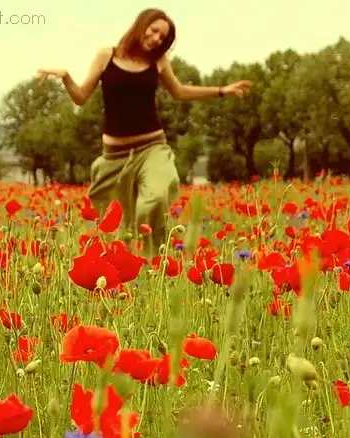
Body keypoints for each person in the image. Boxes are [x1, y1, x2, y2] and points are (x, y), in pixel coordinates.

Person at [38, 8, 251, 254]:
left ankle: (154, 259)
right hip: (114, 157)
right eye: (154, 31)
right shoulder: (106, 55)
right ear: (142, 25)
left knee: (154, 199)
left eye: (163, 38)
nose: (157, 39)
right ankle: (129, 264)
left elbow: (180, 92)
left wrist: (222, 90)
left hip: (152, 149)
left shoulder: (158, 61)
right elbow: (81, 97)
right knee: (118, 222)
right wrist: (66, 77)